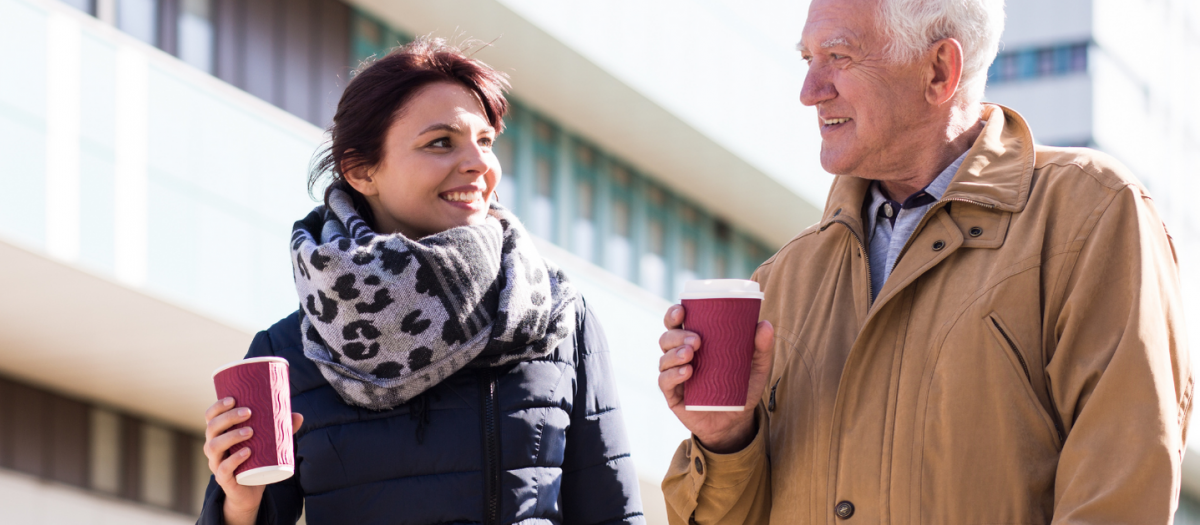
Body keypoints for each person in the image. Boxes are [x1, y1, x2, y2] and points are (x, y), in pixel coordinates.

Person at [656, 0, 1192, 523]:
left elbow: (1120, 494)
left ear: (939, 70)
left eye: (839, 57)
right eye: (807, 59)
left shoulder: (1089, 215)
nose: (809, 91)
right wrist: (726, 442)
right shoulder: (784, 279)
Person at [198, 37, 645, 525]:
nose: (478, 164)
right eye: (440, 142)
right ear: (361, 170)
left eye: (485, 141)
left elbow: (613, 513)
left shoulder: (555, 317)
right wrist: (238, 504)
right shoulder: (292, 351)